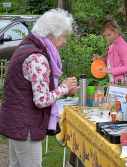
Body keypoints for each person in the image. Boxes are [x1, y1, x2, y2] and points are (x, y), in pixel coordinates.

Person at [0, 8, 80, 166]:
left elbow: (31, 88)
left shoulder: (26, 46)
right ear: (50, 35)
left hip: (17, 121)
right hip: (26, 125)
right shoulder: (37, 58)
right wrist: (63, 88)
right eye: (63, 37)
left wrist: (63, 90)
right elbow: (41, 100)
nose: (65, 41)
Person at [93, 20, 127, 84]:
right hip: (113, 82)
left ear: (117, 30)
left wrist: (110, 71)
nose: (107, 38)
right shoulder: (112, 45)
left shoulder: (122, 46)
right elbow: (111, 63)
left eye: (109, 34)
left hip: (123, 83)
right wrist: (100, 59)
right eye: (105, 36)